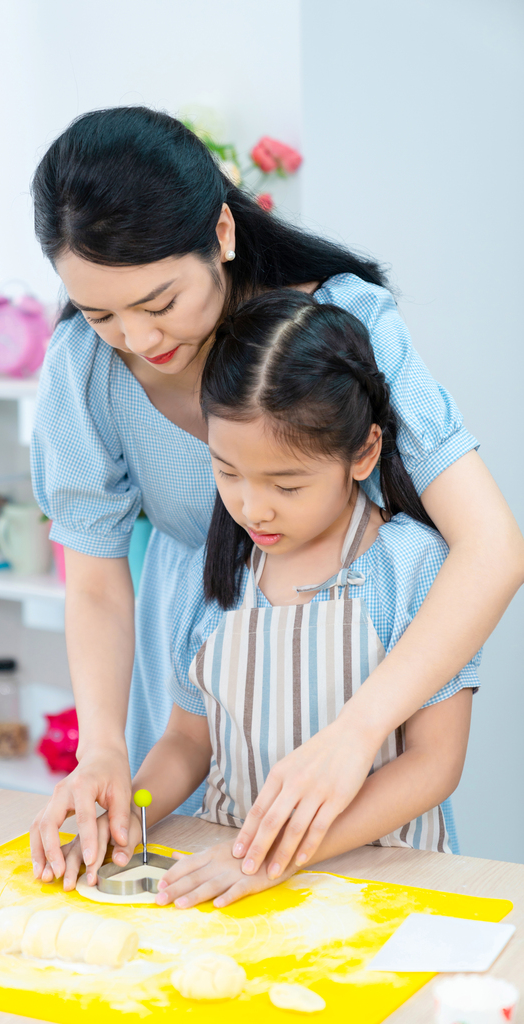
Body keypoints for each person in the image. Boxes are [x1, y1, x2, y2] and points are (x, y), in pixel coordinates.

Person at [29, 106, 523, 889]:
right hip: (204, 626)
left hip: (369, 703)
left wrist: (356, 732)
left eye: (158, 303)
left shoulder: (343, 325)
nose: (135, 339)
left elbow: (490, 545)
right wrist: (105, 752)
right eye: (99, 312)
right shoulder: (85, 366)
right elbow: (95, 582)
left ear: (221, 234)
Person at [57, 290, 477, 906]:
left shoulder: (410, 564)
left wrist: (267, 859)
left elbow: (433, 766)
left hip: (381, 882)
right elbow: (186, 741)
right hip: (235, 883)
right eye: (227, 472)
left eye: (286, 483)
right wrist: (124, 810)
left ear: (363, 453)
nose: (253, 507)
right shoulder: (217, 570)